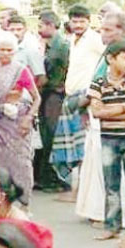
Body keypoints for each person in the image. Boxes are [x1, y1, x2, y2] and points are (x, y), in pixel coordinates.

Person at [88, 41, 125, 240]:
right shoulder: (98, 83)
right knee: (111, 185)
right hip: (109, 139)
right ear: (110, 59)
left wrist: (110, 112)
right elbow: (96, 112)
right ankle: (112, 226)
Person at [50, 5, 104, 198]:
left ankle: (80, 192)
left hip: (85, 98)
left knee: (82, 147)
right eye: (75, 21)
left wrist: (93, 92)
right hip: (71, 97)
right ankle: (76, 190)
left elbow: (106, 62)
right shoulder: (73, 39)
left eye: (82, 21)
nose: (78, 25)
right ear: (70, 22)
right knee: (72, 146)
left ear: (89, 22)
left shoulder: (95, 40)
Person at [0, 31, 41, 207]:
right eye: (2, 49)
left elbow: (36, 98)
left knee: (21, 161)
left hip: (16, 122)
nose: (6, 53)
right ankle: (2, 202)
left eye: (10, 50)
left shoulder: (20, 70)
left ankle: (25, 202)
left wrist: (28, 118)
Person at [34, 11, 70, 191]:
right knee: (45, 135)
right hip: (48, 94)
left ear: (50, 25)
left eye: (40, 25)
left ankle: (49, 176)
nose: (38, 29)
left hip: (54, 94)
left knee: (50, 136)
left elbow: (53, 72)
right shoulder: (50, 45)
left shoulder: (61, 46)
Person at [8, 15, 46, 88]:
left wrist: (31, 94)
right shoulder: (4, 48)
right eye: (12, 30)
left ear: (25, 30)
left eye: (19, 29)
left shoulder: (31, 49)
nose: (15, 33)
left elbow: (41, 78)